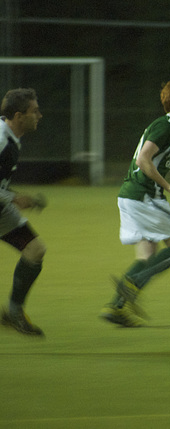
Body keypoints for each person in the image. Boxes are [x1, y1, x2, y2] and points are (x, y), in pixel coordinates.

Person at [100, 79, 170, 327]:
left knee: (147, 256)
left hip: (130, 196)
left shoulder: (169, 128)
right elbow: (143, 160)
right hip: (144, 197)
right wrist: (169, 187)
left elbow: (147, 156)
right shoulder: (165, 127)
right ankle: (131, 286)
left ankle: (115, 307)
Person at [0, 88, 46, 336]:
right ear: (19, 116)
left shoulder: (9, 136)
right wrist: (15, 197)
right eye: (34, 111)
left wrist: (11, 196)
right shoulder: (0, 140)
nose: (40, 115)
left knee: (35, 249)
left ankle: (14, 313)